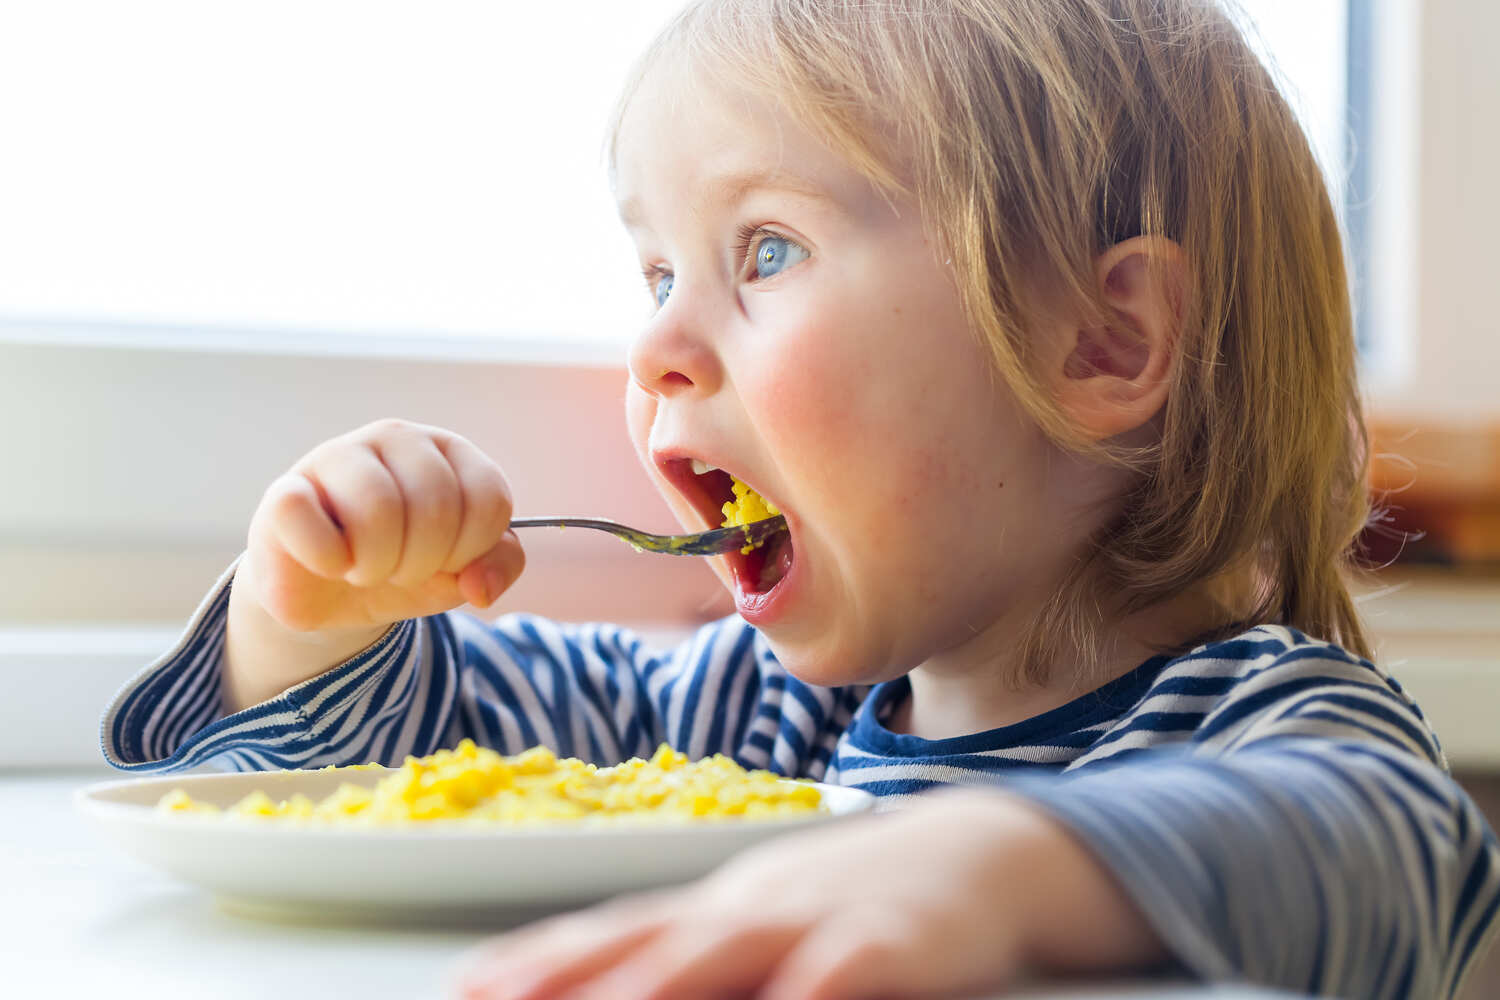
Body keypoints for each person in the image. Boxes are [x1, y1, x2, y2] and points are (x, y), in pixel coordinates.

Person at [103, 0, 1499, 996]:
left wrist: (991, 870)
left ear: (1101, 343)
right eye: (655, 274)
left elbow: (1404, 856)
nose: (653, 346)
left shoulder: (1265, 722)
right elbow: (383, 761)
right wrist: (316, 621)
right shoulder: (756, 720)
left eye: (764, 249)